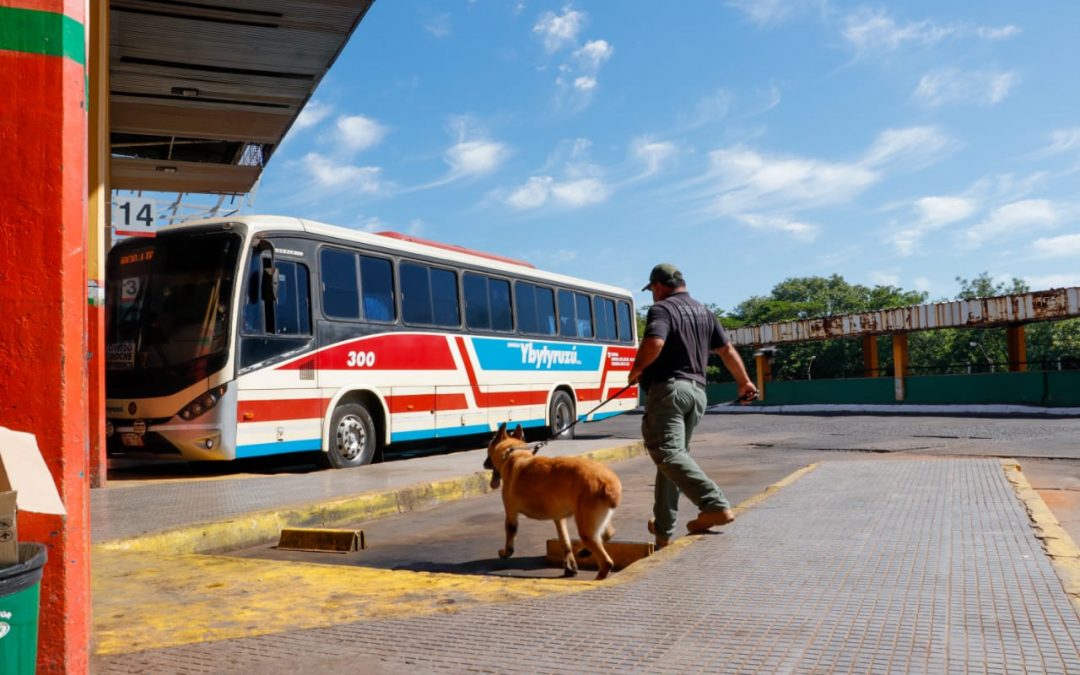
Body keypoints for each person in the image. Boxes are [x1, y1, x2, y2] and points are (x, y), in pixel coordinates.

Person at [627, 263, 758, 548]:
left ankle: (714, 504)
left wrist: (636, 369)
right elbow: (726, 350)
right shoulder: (704, 311)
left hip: (670, 391)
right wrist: (744, 382)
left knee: (666, 452)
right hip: (697, 393)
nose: (652, 296)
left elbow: (655, 342)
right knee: (672, 460)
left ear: (659, 286)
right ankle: (663, 531)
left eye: (652, 290)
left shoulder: (662, 309)